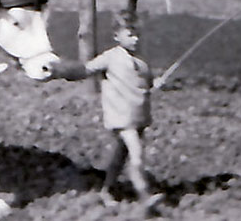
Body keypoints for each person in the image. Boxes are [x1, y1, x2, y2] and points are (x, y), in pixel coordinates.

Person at [52, 13, 162, 211]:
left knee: (120, 156)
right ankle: (144, 194)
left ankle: (107, 190)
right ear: (117, 36)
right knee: (136, 153)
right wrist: (58, 71)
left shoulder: (142, 61)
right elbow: (85, 70)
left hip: (139, 116)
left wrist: (155, 83)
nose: (135, 39)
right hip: (121, 117)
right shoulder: (111, 57)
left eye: (137, 35)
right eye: (130, 35)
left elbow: (146, 82)